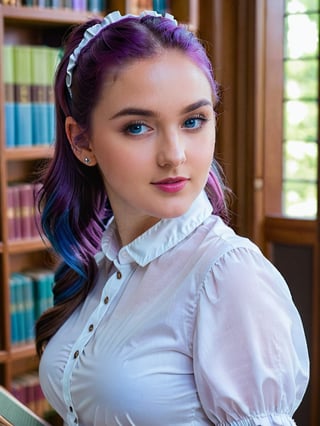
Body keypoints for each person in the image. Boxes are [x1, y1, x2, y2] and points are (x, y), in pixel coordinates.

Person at [36, 10, 309, 426]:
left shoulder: (227, 274)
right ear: (81, 139)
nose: (175, 155)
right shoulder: (103, 260)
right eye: (139, 127)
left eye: (193, 121)